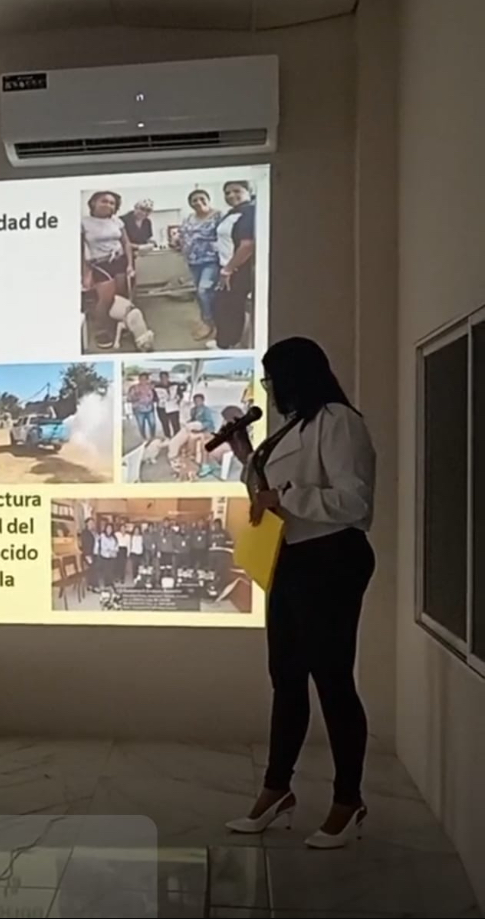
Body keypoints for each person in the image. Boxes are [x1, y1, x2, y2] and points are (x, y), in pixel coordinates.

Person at [225, 337, 376, 850]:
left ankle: (348, 801)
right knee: (286, 678)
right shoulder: (293, 426)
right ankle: (277, 790)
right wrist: (245, 455)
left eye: (272, 380)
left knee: (332, 681)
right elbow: (267, 495)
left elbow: (354, 502)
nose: (269, 391)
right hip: (290, 559)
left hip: (333, 561)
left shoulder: (338, 421)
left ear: (296, 376)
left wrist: (283, 496)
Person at [81, 191, 134, 349]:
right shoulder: (84, 222)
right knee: (105, 300)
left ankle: (119, 326)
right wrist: (85, 273)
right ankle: (101, 331)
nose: (108, 205)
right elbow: (78, 249)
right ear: (93, 203)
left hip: (120, 260)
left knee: (121, 297)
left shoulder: (117, 221)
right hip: (100, 263)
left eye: (112, 203)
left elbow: (126, 243)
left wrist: (130, 265)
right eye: (104, 201)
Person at [213, 181, 256, 350]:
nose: (231, 195)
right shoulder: (232, 213)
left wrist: (228, 269)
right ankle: (227, 342)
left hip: (237, 269)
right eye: (227, 192)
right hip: (226, 267)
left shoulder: (249, 212)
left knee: (229, 309)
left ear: (248, 191)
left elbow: (247, 245)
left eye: (237, 191)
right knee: (224, 307)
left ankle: (226, 345)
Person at [176, 189, 222, 342]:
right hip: (193, 260)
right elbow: (182, 234)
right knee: (200, 292)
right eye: (194, 200)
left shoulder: (218, 215)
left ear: (208, 199)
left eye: (201, 198)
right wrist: (180, 244)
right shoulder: (189, 218)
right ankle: (206, 320)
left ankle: (210, 322)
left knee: (204, 290)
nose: (198, 202)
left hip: (211, 259)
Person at [167, 393, 215, 466]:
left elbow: (209, 422)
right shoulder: (193, 410)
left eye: (199, 400)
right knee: (183, 432)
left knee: (190, 435)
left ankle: (186, 454)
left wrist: (200, 426)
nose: (197, 402)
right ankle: (173, 451)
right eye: (195, 401)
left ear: (203, 401)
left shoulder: (206, 410)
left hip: (205, 429)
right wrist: (189, 423)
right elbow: (192, 419)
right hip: (194, 428)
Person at [127, 372, 156, 441]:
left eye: (145, 379)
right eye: (141, 379)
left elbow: (156, 396)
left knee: (153, 424)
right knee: (141, 425)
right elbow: (129, 399)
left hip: (150, 409)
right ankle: (144, 438)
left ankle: (152, 437)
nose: (143, 381)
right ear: (139, 379)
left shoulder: (151, 387)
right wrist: (136, 397)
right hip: (138, 410)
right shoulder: (134, 388)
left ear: (147, 380)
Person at [153, 371, 182, 439]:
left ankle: (178, 438)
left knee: (176, 424)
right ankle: (168, 438)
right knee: (165, 424)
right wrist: (158, 399)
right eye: (162, 377)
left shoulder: (175, 385)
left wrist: (178, 399)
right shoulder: (156, 387)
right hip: (162, 408)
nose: (164, 379)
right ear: (160, 378)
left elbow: (181, 395)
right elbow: (154, 398)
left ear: (168, 377)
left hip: (173, 407)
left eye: (165, 377)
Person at [98, 523, 119, 589]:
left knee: (111, 570)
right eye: (108, 528)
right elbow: (103, 546)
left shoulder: (114, 537)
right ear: (106, 529)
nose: (109, 530)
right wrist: (110, 551)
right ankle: (106, 584)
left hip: (112, 556)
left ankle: (110, 582)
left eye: (110, 528)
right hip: (105, 556)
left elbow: (116, 545)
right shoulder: (103, 536)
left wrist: (115, 551)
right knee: (106, 571)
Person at [80, 517, 98, 593]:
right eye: (90, 523)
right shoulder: (85, 533)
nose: (92, 524)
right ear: (87, 524)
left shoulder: (92, 532)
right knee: (92, 571)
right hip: (88, 554)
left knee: (93, 570)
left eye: (93, 523)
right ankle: (92, 586)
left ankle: (91, 585)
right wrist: (87, 556)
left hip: (93, 553)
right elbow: (85, 545)